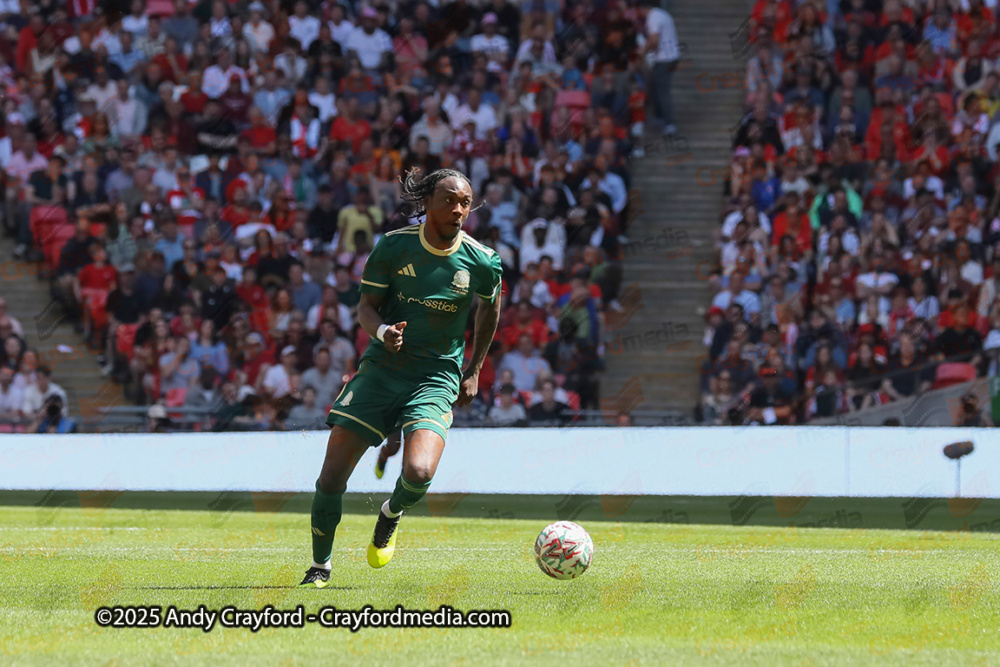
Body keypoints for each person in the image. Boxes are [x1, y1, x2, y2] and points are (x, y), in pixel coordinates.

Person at [299, 168, 503, 588]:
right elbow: (366, 307)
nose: (459, 209)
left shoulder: (482, 261)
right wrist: (382, 332)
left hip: (436, 375)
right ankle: (320, 567)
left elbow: (491, 308)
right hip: (382, 370)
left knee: (419, 471)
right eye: (450, 200)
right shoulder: (393, 247)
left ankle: (391, 513)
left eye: (465, 202)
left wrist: (475, 368)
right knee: (332, 476)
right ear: (426, 203)